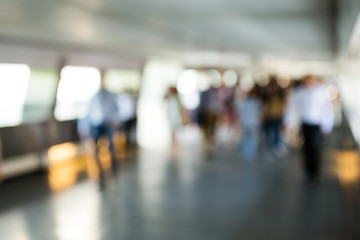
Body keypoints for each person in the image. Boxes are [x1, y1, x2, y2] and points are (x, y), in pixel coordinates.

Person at [284, 75, 334, 183]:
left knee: (314, 148)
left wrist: (326, 126)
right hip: (305, 124)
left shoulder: (320, 92)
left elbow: (326, 110)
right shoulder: (300, 92)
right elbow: (294, 109)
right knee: (306, 149)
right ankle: (308, 172)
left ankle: (314, 172)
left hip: (316, 125)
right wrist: (290, 123)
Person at [86, 70, 120, 189]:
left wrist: (114, 121)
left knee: (110, 148)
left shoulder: (111, 96)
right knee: (95, 150)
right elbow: (88, 113)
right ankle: (100, 173)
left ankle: (113, 170)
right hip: (95, 124)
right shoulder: (94, 96)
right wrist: (85, 127)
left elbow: (116, 110)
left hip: (107, 124)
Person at [235, 86, 262, 160]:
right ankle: (249, 152)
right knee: (250, 137)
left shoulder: (245, 102)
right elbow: (257, 113)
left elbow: (241, 112)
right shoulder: (255, 102)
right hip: (251, 122)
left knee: (246, 136)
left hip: (246, 122)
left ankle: (246, 152)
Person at [165, 86, 185, 157]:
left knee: (174, 135)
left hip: (174, 119)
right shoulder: (174, 99)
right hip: (173, 119)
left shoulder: (173, 99)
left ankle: (174, 151)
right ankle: (174, 150)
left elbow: (174, 111)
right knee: (174, 135)